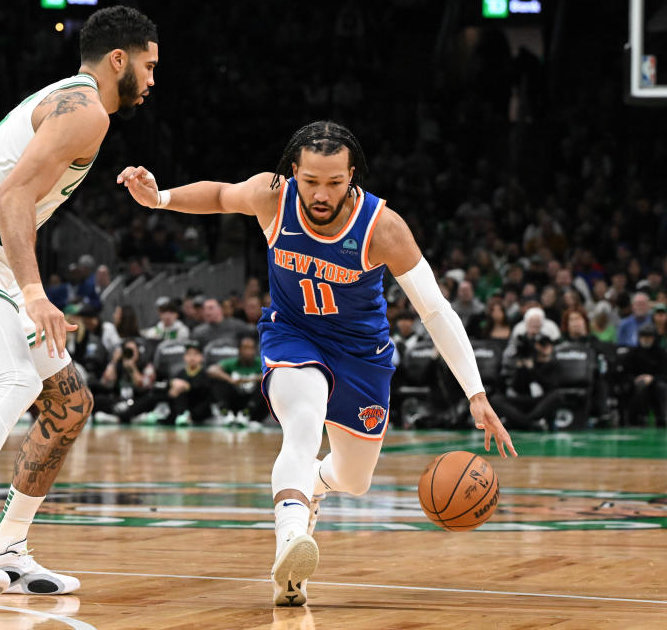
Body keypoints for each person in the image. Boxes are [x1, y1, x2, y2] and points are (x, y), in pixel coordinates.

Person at [118, 120, 516, 606]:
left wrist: (476, 393)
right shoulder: (273, 197)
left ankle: (315, 484)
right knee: (302, 422)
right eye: (311, 181)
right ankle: (291, 542)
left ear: (353, 176)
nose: (322, 193)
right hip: (293, 335)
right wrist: (160, 198)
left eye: (334, 182)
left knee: (355, 479)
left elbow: (434, 310)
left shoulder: (382, 227)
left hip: (361, 356)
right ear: (293, 173)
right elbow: (221, 195)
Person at [0, 6, 158, 597]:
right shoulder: (85, 107)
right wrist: (35, 293)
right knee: (16, 378)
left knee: (69, 404)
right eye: (148, 64)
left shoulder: (78, 104)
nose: (151, 79)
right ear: (120, 59)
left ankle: (6, 547)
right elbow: (13, 195)